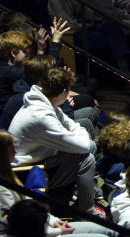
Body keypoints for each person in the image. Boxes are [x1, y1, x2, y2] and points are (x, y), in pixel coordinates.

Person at [0, 129, 117, 237]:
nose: (15, 152)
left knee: (110, 231)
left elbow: (31, 207)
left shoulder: (8, 175)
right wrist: (59, 231)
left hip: (47, 228)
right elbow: (22, 227)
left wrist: (55, 221)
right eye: (11, 149)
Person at [7, 67, 97, 212]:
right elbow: (83, 145)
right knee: (87, 159)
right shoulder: (41, 116)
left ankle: (91, 192)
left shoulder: (45, 103)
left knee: (89, 146)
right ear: (63, 92)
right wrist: (78, 142)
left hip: (41, 158)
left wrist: (78, 140)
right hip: (27, 172)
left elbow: (72, 125)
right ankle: (87, 212)